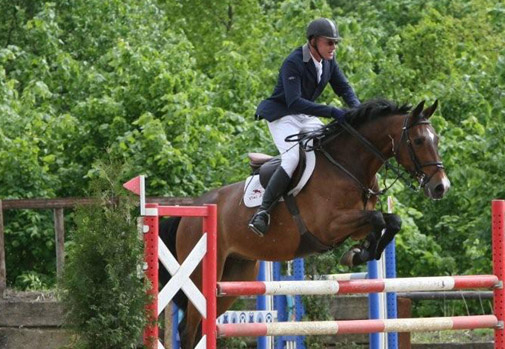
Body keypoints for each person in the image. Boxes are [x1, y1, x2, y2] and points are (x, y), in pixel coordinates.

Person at [248, 17, 361, 237]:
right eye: (329, 42)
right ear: (313, 42)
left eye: (335, 43)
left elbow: (344, 88)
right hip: (283, 116)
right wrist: (331, 111)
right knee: (292, 159)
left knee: (326, 146)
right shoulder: (294, 61)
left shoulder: (329, 61)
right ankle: (262, 212)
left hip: (305, 116)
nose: (333, 47)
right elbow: (294, 102)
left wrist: (358, 111)